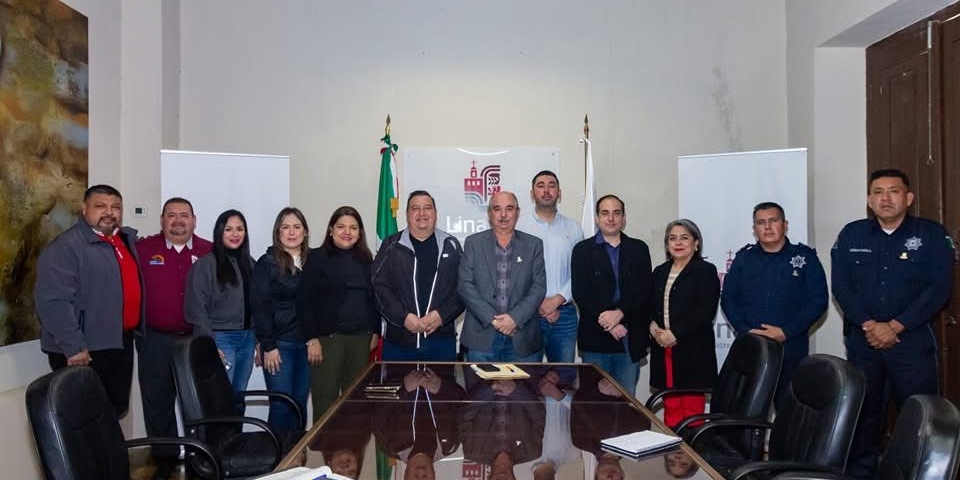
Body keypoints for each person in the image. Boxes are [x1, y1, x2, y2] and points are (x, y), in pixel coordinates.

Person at [831, 169, 953, 478]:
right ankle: (860, 473)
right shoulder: (852, 234)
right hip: (864, 343)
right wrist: (870, 325)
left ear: (908, 198)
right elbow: (842, 287)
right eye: (878, 192)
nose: (886, 198)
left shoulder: (931, 235)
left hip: (910, 344)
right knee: (862, 415)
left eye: (894, 191)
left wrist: (895, 326)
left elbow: (938, 289)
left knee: (920, 415)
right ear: (870, 200)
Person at [34, 184, 143, 416]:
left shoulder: (122, 242)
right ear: (84, 209)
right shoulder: (65, 247)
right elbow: (52, 302)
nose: (109, 212)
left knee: (113, 410)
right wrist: (75, 348)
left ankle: (108, 454)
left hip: (118, 342)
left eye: (115, 207)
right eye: (100, 206)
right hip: (86, 350)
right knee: (83, 418)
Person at [720, 202, 828, 407]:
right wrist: (746, 331)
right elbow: (728, 298)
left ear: (785, 225)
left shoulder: (805, 258)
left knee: (788, 409)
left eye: (773, 221)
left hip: (790, 346)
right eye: (761, 223)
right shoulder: (744, 258)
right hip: (752, 346)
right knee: (747, 408)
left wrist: (786, 331)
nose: (767, 227)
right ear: (754, 229)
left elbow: (818, 300)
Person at [135, 197, 212, 479]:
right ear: (162, 220)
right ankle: (164, 460)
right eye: (171, 215)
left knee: (199, 401)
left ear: (194, 220)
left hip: (195, 342)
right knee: (157, 402)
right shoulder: (143, 249)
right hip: (155, 340)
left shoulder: (209, 251)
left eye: (184, 215)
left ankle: (201, 457)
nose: (178, 220)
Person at [297, 206, 380, 420]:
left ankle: (354, 451)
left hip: (361, 340)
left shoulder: (367, 260)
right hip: (328, 341)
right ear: (331, 229)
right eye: (341, 226)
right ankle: (323, 452)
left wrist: (375, 331)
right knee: (326, 403)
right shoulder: (316, 257)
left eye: (353, 227)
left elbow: (374, 299)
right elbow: (304, 301)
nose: (347, 232)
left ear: (360, 233)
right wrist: (311, 339)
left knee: (357, 402)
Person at [571, 194, 652, 394]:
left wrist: (620, 313)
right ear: (597, 218)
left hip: (628, 335)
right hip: (596, 336)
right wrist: (610, 322)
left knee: (627, 403)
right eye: (605, 213)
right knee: (594, 404)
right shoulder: (582, 250)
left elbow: (643, 290)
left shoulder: (639, 249)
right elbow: (581, 292)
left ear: (624, 218)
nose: (611, 218)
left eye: (617, 213)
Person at [372, 190, 464, 361]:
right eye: (415, 208)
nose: (422, 213)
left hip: (441, 341)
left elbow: (464, 288)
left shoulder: (451, 245)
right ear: (407, 214)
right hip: (399, 340)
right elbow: (379, 287)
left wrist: (442, 315)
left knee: (443, 388)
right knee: (400, 388)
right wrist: (404, 317)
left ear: (435, 214)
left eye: (427, 208)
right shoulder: (391, 245)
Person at [458, 191, 546, 363]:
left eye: (509, 209)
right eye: (497, 209)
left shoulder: (533, 245)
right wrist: (494, 320)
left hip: (523, 337)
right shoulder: (473, 243)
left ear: (518, 212)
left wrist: (514, 318)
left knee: (524, 390)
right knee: (481, 390)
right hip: (482, 338)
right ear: (489, 213)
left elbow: (539, 287)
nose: (503, 215)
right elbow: (465, 285)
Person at [649, 219, 721, 428]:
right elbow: (650, 306)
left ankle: (690, 455)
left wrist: (676, 334)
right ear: (667, 244)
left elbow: (705, 311)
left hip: (692, 349)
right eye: (672, 238)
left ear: (696, 243)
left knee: (691, 411)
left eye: (684, 238)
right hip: (663, 348)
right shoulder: (660, 272)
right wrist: (653, 328)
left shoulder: (705, 270)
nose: (678, 243)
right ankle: (671, 456)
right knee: (670, 404)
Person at [185, 209, 258, 401]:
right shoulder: (205, 265)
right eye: (229, 229)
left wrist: (260, 340)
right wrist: (208, 343)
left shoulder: (251, 264)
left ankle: (236, 433)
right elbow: (197, 308)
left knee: (239, 397)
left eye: (240, 229)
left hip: (248, 339)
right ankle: (222, 433)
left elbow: (259, 305)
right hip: (221, 339)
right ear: (219, 233)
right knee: (219, 398)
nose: (235, 234)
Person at [251, 207, 311, 435]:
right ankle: (276, 462)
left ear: (305, 232)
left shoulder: (312, 262)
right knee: (281, 404)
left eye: (297, 227)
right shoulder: (266, 264)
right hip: (279, 346)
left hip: (306, 345)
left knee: (299, 404)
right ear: (278, 233)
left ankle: (297, 460)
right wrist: (269, 345)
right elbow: (260, 307)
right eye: (285, 227)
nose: (291, 232)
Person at [518, 171, 583, 364]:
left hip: (564, 315)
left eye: (551, 185)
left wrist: (557, 300)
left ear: (559, 192)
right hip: (528, 313)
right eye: (540, 185)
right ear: (532, 194)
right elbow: (516, 273)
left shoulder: (574, 228)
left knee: (564, 381)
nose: (546, 190)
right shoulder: (520, 227)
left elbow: (580, 273)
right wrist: (537, 303)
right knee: (527, 381)